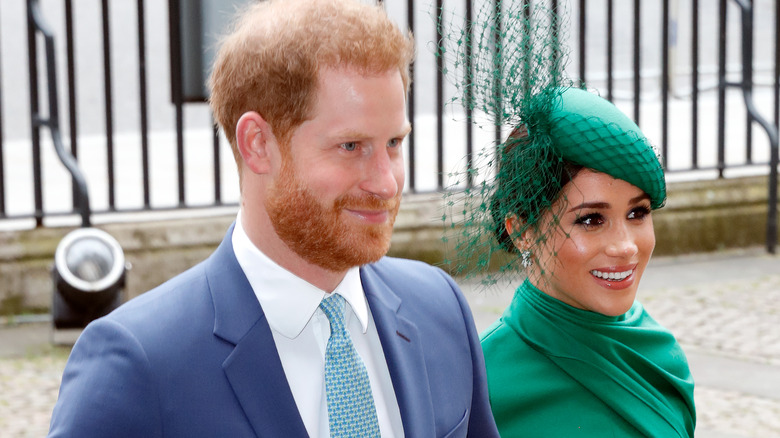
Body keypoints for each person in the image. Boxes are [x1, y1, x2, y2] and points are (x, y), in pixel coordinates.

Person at [48, 1, 498, 437]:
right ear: (257, 144)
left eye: (395, 143)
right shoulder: (139, 364)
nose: (386, 182)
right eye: (351, 146)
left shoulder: (440, 309)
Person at [476, 86, 697, 437]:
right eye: (591, 219)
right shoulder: (482, 386)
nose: (625, 247)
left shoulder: (659, 354)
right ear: (521, 231)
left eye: (637, 212)